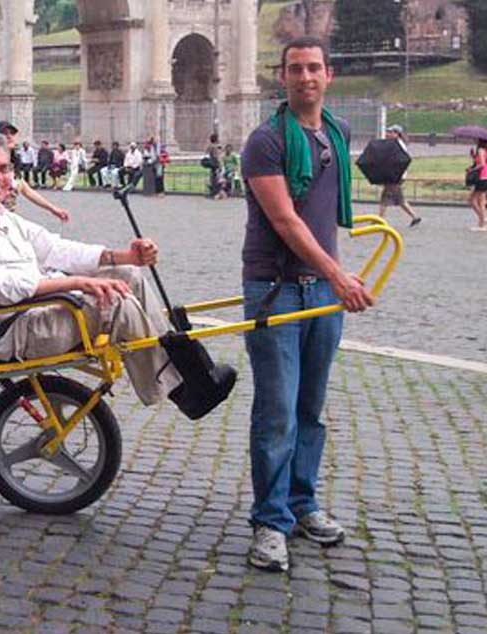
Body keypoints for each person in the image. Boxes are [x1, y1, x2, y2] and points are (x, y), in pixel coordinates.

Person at [0, 128, 185, 406]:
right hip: (16, 330)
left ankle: (181, 365)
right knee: (116, 300)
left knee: (127, 276)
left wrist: (124, 257)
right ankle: (174, 389)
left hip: (35, 311)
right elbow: (0, 287)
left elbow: (55, 249)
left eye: (4, 168)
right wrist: (79, 283)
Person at [240, 36, 374, 573]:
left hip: (320, 291)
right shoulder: (265, 141)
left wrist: (333, 276)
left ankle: (303, 503)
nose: (305, 77)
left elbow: (322, 212)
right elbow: (286, 221)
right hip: (275, 288)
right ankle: (270, 522)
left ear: (329, 74)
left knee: (310, 409)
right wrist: (339, 273)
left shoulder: (338, 133)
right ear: (283, 77)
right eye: (295, 69)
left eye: (313, 68)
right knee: (277, 412)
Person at [0, 120, 69, 221]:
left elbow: (27, 191)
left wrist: (52, 208)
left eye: (12, 133)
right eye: (4, 133)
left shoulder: (13, 163)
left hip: (6, 217)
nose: (9, 136)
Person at [377, 125, 421, 227]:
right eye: (388, 132)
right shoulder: (394, 144)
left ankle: (379, 220)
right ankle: (414, 217)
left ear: (397, 134)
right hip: (395, 175)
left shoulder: (398, 145)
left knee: (391, 198)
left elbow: (398, 160)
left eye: (391, 132)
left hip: (396, 175)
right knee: (392, 198)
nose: (388, 134)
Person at [470, 139, 487, 231]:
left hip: (482, 177)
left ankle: (483, 222)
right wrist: (473, 156)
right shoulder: (484, 150)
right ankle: (482, 222)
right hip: (485, 177)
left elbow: (482, 164)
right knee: (480, 200)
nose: (475, 140)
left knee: (475, 200)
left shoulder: (481, 150)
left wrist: (472, 170)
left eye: (476, 139)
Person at [205, 132, 224, 199]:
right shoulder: (216, 147)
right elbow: (217, 157)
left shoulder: (209, 146)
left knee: (213, 178)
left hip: (212, 164)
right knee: (218, 179)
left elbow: (206, 153)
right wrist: (220, 165)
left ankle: (214, 192)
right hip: (216, 164)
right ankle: (217, 193)